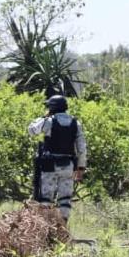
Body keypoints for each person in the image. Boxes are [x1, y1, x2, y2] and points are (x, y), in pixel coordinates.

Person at [28, 95, 87, 223]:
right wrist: (81, 168)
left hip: (49, 166)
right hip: (68, 166)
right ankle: (62, 227)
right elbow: (81, 148)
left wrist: (44, 117)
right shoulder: (75, 123)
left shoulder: (49, 121)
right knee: (65, 199)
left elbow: (32, 130)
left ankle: (45, 227)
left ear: (52, 108)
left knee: (45, 199)